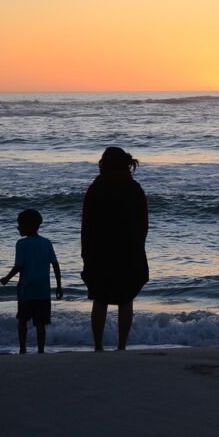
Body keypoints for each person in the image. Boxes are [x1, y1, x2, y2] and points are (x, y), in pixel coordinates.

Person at [81, 146, 149, 351]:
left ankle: (98, 346)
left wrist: (86, 251)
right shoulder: (134, 188)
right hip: (129, 250)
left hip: (100, 250)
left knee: (100, 299)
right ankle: (121, 345)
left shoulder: (97, 187)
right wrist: (139, 246)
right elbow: (143, 222)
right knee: (126, 299)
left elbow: (87, 223)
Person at [0, 209, 63, 354]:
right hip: (43, 291)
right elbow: (55, 264)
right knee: (41, 324)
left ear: (29, 225)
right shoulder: (46, 243)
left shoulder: (21, 244)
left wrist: (6, 278)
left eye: (20, 225)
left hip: (26, 290)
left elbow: (19, 266)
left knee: (23, 320)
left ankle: (23, 348)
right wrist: (59, 286)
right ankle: (41, 350)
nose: (18, 228)